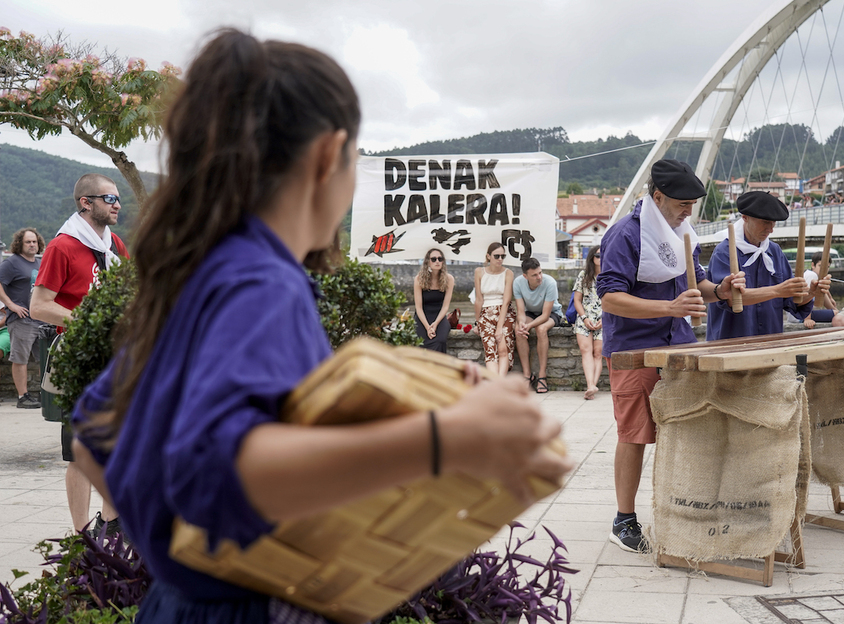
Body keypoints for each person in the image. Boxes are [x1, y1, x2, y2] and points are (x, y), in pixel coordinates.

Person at [69, 30, 572, 623]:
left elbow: (94, 435)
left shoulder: (207, 269)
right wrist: (445, 438)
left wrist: (181, 549)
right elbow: (217, 469)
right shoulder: (263, 281)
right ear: (331, 156)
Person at [597, 159, 745, 553]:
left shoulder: (684, 232)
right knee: (635, 434)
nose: (688, 211)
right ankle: (623, 520)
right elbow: (609, 298)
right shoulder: (623, 235)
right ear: (657, 196)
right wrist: (669, 308)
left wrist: (721, 290)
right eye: (682, 203)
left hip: (677, 345)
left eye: (693, 204)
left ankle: (681, 508)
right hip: (634, 350)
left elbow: (696, 286)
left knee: (685, 429)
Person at [31, 173, 128, 536]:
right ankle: (83, 535)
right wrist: (91, 323)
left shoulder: (114, 244)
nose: (117, 204)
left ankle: (111, 525)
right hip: (77, 355)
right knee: (80, 451)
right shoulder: (63, 246)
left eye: (117, 198)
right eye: (109, 198)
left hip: (115, 356)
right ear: (86, 203)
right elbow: (39, 305)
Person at [706, 191, 829, 340]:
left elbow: (791, 302)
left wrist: (811, 293)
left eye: (773, 223)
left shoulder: (774, 252)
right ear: (745, 217)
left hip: (770, 341)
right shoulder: (724, 252)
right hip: (731, 342)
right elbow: (731, 298)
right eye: (765, 222)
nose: (771, 229)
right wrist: (778, 290)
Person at [0, 228, 47, 408]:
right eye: (28, 242)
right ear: (20, 243)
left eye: (34, 241)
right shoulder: (11, 263)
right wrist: (11, 305)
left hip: (39, 319)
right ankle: (22, 397)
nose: (32, 245)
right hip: (21, 320)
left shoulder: (38, 263)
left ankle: (46, 394)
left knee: (45, 358)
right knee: (20, 358)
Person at [513, 257, 562, 393]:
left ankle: (542, 375)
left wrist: (529, 326)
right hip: (531, 313)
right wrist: (523, 324)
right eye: (534, 275)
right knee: (519, 329)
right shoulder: (517, 283)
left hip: (552, 313)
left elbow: (545, 316)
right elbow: (521, 311)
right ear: (525, 276)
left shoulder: (550, 283)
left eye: (540, 273)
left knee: (541, 329)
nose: (539, 277)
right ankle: (527, 375)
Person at [473, 242, 517, 376]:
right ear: (488, 256)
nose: (500, 259)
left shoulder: (508, 273)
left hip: (504, 313)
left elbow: (506, 301)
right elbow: (479, 300)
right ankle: (496, 384)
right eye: (496, 256)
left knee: (503, 349)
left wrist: (499, 327)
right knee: (490, 351)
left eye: (502, 256)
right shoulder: (479, 272)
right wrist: (477, 322)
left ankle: (500, 384)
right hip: (486, 313)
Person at [572, 246, 602, 400]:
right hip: (585, 318)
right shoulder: (584, 275)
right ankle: (591, 385)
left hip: (604, 319)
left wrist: (605, 319)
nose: (600, 257)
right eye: (597, 255)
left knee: (598, 352)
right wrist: (584, 317)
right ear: (592, 258)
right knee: (586, 350)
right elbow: (577, 299)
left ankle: (592, 386)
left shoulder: (610, 276)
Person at [413, 248, 455, 352]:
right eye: (434, 259)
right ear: (428, 261)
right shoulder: (419, 279)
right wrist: (428, 327)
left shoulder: (449, 279)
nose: (437, 261)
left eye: (440, 259)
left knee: (440, 340)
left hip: (439, 317)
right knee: (421, 342)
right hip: (422, 317)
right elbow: (418, 307)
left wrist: (435, 324)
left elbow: (445, 306)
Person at [802, 250, 838, 329]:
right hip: (801, 315)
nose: (824, 270)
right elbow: (805, 295)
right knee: (838, 315)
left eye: (827, 267)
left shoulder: (817, 278)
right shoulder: (812, 275)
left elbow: (823, 296)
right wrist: (807, 319)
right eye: (820, 266)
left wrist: (833, 307)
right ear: (813, 265)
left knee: (839, 314)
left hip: (803, 314)